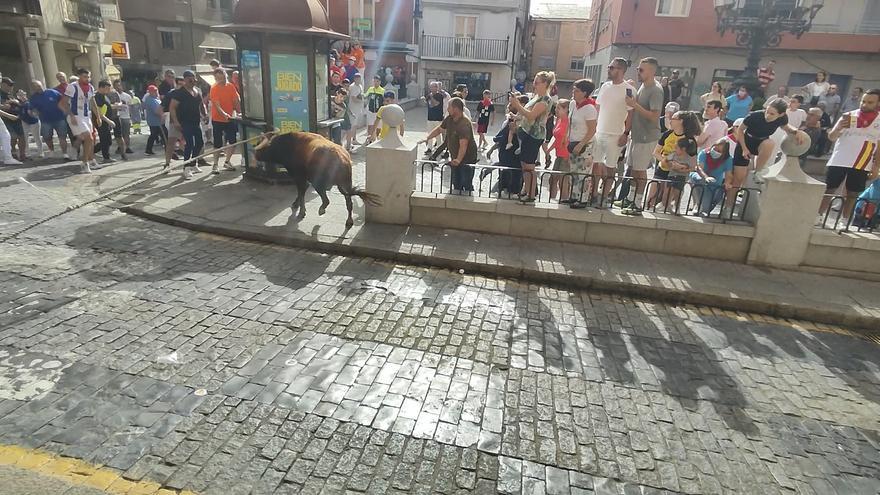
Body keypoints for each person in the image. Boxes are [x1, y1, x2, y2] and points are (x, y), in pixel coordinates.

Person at [817, 88, 880, 225]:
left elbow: (879, 146)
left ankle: (844, 220)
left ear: (877, 103)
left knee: (853, 192)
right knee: (829, 188)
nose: (864, 104)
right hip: (840, 158)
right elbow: (832, 137)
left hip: (862, 161)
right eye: (863, 101)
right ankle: (819, 215)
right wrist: (838, 127)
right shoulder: (849, 115)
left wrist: (876, 167)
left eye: (870, 102)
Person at [616, 57, 664, 214]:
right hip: (637, 135)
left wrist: (634, 105)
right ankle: (629, 199)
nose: (638, 71)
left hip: (647, 136)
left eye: (641, 70)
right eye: (638, 69)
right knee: (633, 169)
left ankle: (637, 204)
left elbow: (654, 116)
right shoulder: (644, 86)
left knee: (640, 170)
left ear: (652, 71)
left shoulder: (656, 90)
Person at [732, 99, 802, 193]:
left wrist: (796, 131)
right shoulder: (754, 116)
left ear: (780, 114)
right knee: (738, 179)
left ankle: (758, 171)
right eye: (767, 112)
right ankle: (729, 205)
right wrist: (744, 149)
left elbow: (787, 127)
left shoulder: (783, 118)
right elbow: (740, 130)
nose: (768, 116)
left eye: (772, 114)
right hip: (746, 141)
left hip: (761, 142)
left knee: (770, 143)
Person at [592, 58, 634, 204]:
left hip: (616, 134)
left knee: (610, 166)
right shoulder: (604, 87)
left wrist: (626, 133)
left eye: (612, 67)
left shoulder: (629, 89)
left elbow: (631, 114)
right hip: (599, 132)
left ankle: (604, 196)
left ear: (621, 70)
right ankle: (593, 194)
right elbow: (598, 107)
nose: (609, 69)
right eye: (609, 67)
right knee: (595, 164)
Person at [509, 71, 555, 203]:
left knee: (529, 166)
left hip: (534, 136)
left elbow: (531, 116)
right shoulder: (536, 97)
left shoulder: (545, 99)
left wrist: (517, 104)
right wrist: (516, 116)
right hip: (527, 133)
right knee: (525, 164)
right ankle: (526, 190)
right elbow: (526, 115)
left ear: (545, 84)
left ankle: (531, 194)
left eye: (537, 82)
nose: (534, 84)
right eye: (534, 81)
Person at [419, 98, 478, 193]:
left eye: (449, 107)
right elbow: (439, 129)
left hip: (468, 158)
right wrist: (428, 137)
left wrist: (459, 159)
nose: (447, 109)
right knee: (456, 182)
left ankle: (468, 201)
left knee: (466, 182)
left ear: (456, 109)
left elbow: (464, 144)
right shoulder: (449, 118)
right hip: (455, 158)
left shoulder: (464, 124)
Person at [648, 111, 701, 211]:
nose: (670, 120)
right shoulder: (667, 134)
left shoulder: (689, 140)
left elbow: (693, 163)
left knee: (669, 197)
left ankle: (672, 208)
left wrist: (681, 167)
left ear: (681, 121)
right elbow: (656, 152)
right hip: (663, 168)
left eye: (673, 118)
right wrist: (666, 161)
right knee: (651, 198)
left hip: (676, 173)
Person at [485, 95, 530, 196]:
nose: (509, 105)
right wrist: (492, 148)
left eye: (513, 103)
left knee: (513, 181)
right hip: (506, 157)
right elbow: (502, 138)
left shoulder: (523, 120)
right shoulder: (510, 119)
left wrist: (515, 131)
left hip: (515, 159)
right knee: (504, 178)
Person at [59, 68, 102, 173]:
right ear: (79, 76)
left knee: (91, 139)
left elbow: (93, 103)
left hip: (87, 116)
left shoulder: (90, 87)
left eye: (88, 77)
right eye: (84, 77)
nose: (87, 79)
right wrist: (71, 115)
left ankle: (91, 159)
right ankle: (84, 162)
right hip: (76, 116)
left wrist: (98, 116)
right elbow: (62, 104)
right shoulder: (72, 87)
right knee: (88, 137)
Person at [169, 70, 208, 179]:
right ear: (185, 79)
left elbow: (201, 105)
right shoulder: (179, 93)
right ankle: (186, 167)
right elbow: (172, 107)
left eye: (193, 78)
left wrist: (205, 115)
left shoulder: (197, 91)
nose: (193, 81)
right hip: (185, 122)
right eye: (190, 79)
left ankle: (193, 163)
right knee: (189, 144)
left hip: (196, 121)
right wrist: (176, 121)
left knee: (199, 143)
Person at [566, 79, 597, 208]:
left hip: (585, 144)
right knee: (574, 171)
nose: (574, 92)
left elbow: (592, 129)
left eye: (577, 90)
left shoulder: (589, 108)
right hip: (573, 141)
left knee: (583, 172)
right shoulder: (573, 104)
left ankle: (583, 199)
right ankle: (573, 196)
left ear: (585, 93)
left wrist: (581, 144)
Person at [209, 67, 240, 174]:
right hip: (217, 119)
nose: (219, 79)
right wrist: (224, 114)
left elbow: (235, 100)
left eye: (221, 76)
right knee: (218, 143)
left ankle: (227, 161)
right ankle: (215, 164)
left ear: (225, 75)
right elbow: (216, 104)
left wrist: (239, 112)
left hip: (230, 118)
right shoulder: (214, 88)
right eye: (217, 77)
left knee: (233, 141)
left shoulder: (231, 86)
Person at [690, 138, 734, 216]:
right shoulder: (704, 153)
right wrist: (706, 177)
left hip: (715, 185)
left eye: (719, 151)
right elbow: (699, 168)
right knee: (699, 179)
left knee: (718, 194)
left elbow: (728, 175)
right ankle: (697, 204)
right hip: (701, 180)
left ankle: (705, 207)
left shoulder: (728, 159)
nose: (715, 152)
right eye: (715, 148)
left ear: (724, 153)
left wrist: (727, 183)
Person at [29, 80, 69, 160]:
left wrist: (66, 111)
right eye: (35, 87)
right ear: (33, 89)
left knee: (62, 136)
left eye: (39, 86)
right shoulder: (33, 98)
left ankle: (65, 153)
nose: (38, 88)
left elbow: (63, 101)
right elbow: (32, 109)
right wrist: (33, 113)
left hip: (59, 118)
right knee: (47, 137)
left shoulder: (53, 92)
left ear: (42, 85)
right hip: (45, 120)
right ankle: (51, 151)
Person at [664, 137, 697, 213]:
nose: (675, 149)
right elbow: (665, 160)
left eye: (676, 147)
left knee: (677, 192)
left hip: (681, 176)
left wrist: (682, 168)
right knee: (668, 191)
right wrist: (671, 164)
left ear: (683, 149)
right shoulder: (673, 155)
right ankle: (667, 206)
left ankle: (677, 206)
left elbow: (692, 167)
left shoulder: (689, 158)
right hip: (671, 175)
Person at [547, 99, 570, 202]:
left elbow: (566, 139)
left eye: (559, 108)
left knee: (563, 178)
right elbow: (557, 139)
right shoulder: (559, 120)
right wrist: (549, 150)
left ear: (566, 110)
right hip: (559, 153)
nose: (556, 110)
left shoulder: (569, 122)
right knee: (553, 178)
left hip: (566, 154)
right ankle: (552, 198)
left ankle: (564, 198)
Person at [94, 80, 121, 164]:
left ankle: (92, 151)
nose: (109, 90)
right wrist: (108, 121)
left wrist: (116, 106)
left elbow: (107, 107)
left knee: (107, 140)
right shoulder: (98, 97)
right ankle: (104, 157)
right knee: (105, 140)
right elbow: (98, 111)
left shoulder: (104, 96)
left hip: (106, 121)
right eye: (107, 88)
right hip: (101, 121)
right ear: (102, 87)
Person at [1, 77, 26, 160]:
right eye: (10, 85)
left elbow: (22, 104)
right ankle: (13, 152)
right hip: (6, 119)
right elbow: (3, 107)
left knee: (22, 137)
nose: (11, 87)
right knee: (13, 136)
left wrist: (19, 101)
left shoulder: (12, 94)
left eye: (12, 85)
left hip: (17, 118)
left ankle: (23, 155)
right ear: (3, 85)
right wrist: (9, 103)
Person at [18, 89, 42, 159]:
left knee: (37, 137)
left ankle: (40, 152)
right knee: (25, 138)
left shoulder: (29, 102)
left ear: (25, 95)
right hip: (24, 121)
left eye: (23, 94)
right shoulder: (18, 103)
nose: (22, 96)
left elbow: (33, 112)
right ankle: (27, 153)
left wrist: (32, 113)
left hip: (34, 121)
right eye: (19, 95)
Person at [143, 85, 165, 157]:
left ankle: (148, 150)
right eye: (154, 91)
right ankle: (169, 150)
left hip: (158, 121)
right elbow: (156, 111)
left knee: (155, 135)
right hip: (155, 122)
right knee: (162, 135)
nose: (156, 92)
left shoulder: (156, 98)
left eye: (156, 90)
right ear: (150, 92)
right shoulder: (150, 100)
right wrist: (163, 115)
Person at [112, 80, 133, 155]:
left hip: (126, 116)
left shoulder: (127, 96)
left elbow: (130, 106)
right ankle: (120, 147)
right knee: (119, 134)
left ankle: (127, 147)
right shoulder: (113, 95)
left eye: (119, 85)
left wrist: (130, 116)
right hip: (117, 117)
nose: (118, 87)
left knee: (126, 133)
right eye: (116, 86)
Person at [364, 75, 385, 145]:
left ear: (380, 82)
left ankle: (377, 139)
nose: (376, 83)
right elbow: (365, 96)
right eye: (374, 81)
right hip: (370, 110)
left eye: (377, 81)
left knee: (379, 126)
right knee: (370, 125)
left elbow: (384, 101)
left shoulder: (382, 91)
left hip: (378, 111)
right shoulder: (370, 89)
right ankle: (369, 139)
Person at [346, 73, 363, 149]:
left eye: (360, 78)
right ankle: (349, 141)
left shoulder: (360, 86)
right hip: (353, 108)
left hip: (358, 108)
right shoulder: (352, 87)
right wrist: (362, 101)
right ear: (355, 79)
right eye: (357, 79)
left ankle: (354, 139)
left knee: (355, 125)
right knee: (352, 125)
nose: (359, 80)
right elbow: (353, 98)